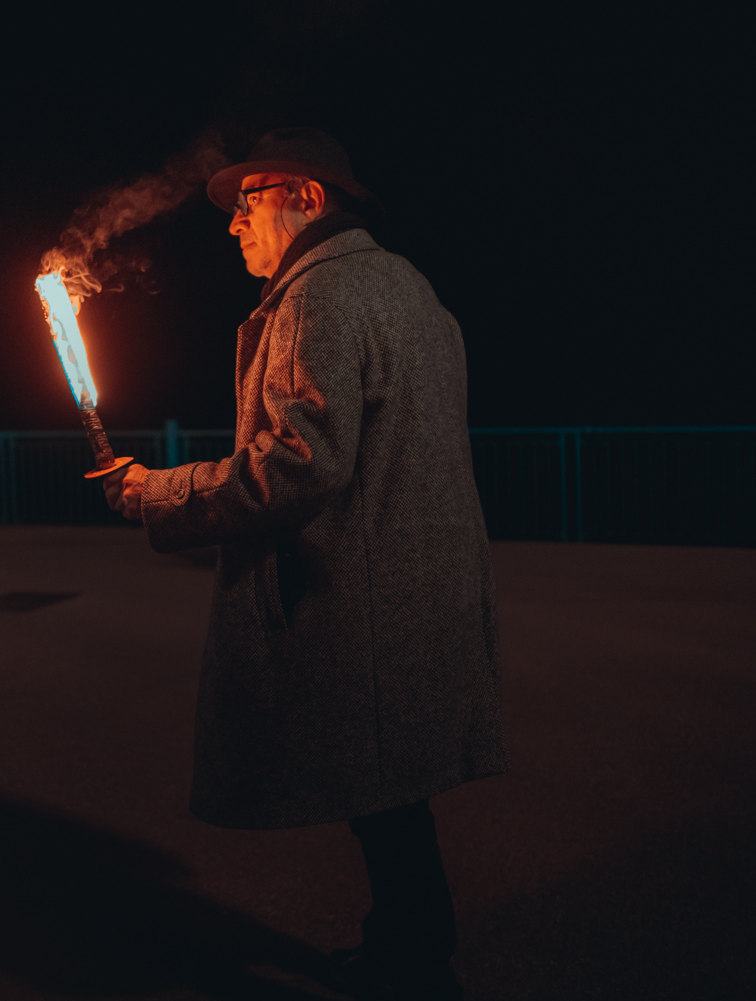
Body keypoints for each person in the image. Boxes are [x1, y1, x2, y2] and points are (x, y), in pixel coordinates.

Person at [103, 128, 507, 1000]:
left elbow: (297, 465)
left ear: (309, 198)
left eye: (249, 201)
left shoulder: (318, 296)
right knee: (392, 795)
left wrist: (155, 491)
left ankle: (414, 967)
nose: (233, 223)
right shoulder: (409, 285)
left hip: (362, 598)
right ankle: (407, 946)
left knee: (386, 796)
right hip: (419, 586)